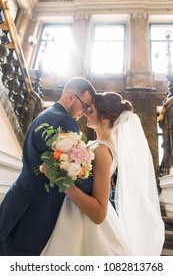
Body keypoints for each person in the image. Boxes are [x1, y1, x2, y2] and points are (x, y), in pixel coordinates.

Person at [40, 92, 165, 256]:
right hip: (75, 214)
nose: (85, 113)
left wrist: (59, 179)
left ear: (105, 118)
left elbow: (99, 213)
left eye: (90, 110)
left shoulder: (102, 151)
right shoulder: (100, 145)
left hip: (88, 226)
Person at [0, 77, 96, 256]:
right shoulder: (64, 122)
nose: (85, 112)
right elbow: (71, 173)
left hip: (20, 204)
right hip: (34, 217)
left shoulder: (45, 115)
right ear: (70, 96)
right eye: (85, 105)